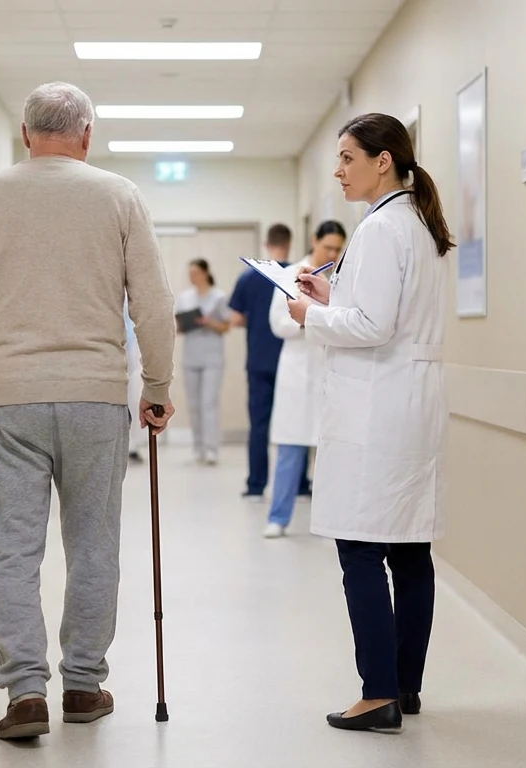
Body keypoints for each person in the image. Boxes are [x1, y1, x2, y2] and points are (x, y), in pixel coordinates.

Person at [0, 81, 176, 741]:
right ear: (87, 135)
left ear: (25, 133)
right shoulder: (119, 196)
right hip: (96, 398)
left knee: (11, 549)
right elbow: (153, 302)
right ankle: (85, 684)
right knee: (94, 544)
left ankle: (26, 692)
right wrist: (156, 385)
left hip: (8, 398)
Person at [287, 113, 452, 734]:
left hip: (382, 406)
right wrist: (331, 302)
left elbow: (374, 327)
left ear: (383, 161)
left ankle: (377, 691)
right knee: (410, 549)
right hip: (408, 402)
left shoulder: (384, 227)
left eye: (348, 157)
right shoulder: (411, 222)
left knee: (359, 546)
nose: (338, 170)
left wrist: (307, 313)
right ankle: (404, 686)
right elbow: (383, 313)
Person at [262, 220, 346, 538]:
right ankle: (278, 517)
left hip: (329, 369)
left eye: (338, 249)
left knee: (329, 452)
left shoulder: (341, 277)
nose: (333, 253)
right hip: (297, 371)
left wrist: (319, 319)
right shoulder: (291, 274)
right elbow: (277, 323)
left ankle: (331, 522)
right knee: (290, 448)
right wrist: (308, 319)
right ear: (314, 241)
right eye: (328, 247)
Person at [228, 224, 309, 500]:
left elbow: (235, 319)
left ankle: (255, 485)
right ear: (289, 243)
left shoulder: (248, 278)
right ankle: (299, 484)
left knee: (259, 424)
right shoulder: (297, 276)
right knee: (296, 423)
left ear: (266, 244)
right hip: (292, 362)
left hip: (259, 361)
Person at [176, 259, 232, 465]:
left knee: (208, 403)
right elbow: (179, 326)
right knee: (193, 405)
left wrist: (209, 322)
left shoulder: (219, 296)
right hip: (191, 356)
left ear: (206, 273)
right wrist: (186, 323)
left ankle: (211, 449)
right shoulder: (185, 298)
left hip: (212, 357)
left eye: (196, 272)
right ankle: (198, 447)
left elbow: (226, 326)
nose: (193, 277)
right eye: (190, 273)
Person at [125, 298, 148, 464]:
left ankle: (133, 445)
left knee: (134, 399)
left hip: (132, 347)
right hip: (111, 348)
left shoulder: (131, 295)